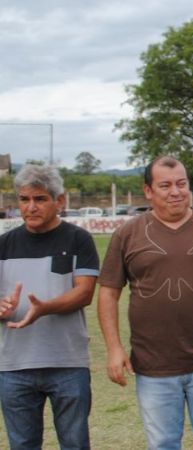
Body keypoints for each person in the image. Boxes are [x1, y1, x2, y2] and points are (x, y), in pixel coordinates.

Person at [97, 155, 193, 450]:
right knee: (163, 443)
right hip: (153, 363)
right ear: (148, 191)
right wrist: (114, 349)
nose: (175, 191)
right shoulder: (127, 234)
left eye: (182, 184)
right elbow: (108, 293)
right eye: (165, 185)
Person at [0, 165, 99, 449]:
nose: (30, 207)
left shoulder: (79, 240)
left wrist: (44, 307)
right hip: (14, 366)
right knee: (22, 444)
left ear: (60, 201)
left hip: (67, 363)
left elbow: (84, 293)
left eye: (40, 199)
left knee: (75, 443)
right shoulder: (4, 245)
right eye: (24, 199)